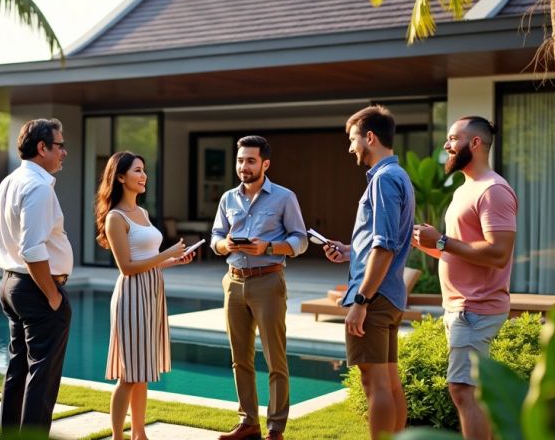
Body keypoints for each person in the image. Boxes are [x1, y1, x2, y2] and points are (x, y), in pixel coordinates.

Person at [412, 116, 517, 440]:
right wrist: (428, 245)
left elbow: (498, 252)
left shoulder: (493, 191)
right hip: (460, 306)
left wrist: (442, 241)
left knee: (462, 389)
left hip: (476, 308)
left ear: (475, 143)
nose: (446, 145)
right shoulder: (465, 190)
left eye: (453, 138)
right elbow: (459, 251)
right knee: (469, 390)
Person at [320, 105, 414, 439]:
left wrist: (361, 300)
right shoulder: (398, 176)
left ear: (370, 138)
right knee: (388, 381)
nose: (350, 148)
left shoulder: (384, 180)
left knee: (374, 384)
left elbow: (385, 246)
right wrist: (349, 250)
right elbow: (385, 241)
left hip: (374, 296)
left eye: (353, 139)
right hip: (390, 294)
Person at [210, 135, 308, 440]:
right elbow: (215, 236)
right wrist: (223, 244)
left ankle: (275, 428)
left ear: (265, 163)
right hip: (234, 281)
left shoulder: (284, 197)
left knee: (275, 359)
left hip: (268, 281)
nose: (243, 166)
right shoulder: (228, 198)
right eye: (240, 160)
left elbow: (300, 240)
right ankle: (248, 422)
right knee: (240, 358)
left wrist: (269, 248)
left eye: (250, 160)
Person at [95, 151, 194, 440]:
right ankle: (117, 436)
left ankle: (140, 434)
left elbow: (147, 258)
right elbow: (126, 267)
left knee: (142, 371)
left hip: (152, 293)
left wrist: (172, 261)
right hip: (132, 296)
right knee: (129, 375)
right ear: (121, 177)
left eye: (144, 170)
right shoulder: (116, 217)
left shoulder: (143, 213)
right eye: (137, 170)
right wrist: (165, 254)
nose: (143, 176)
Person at [0, 118, 73, 434]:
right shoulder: (38, 187)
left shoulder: (7, 183)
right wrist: (52, 294)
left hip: (11, 283)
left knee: (18, 369)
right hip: (37, 288)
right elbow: (32, 249)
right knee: (42, 377)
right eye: (60, 145)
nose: (64, 152)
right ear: (43, 147)